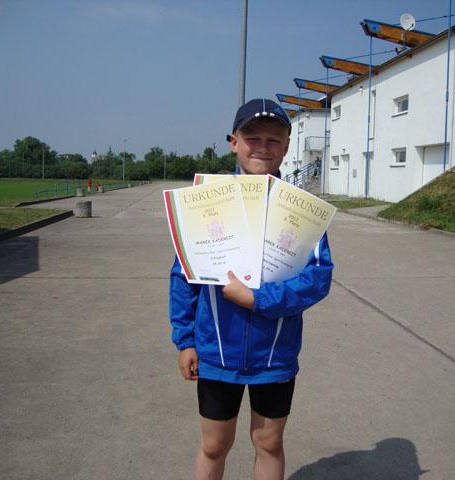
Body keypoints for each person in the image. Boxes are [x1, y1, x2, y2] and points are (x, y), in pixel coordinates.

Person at [168, 98, 334, 480]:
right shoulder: (207, 202)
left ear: (287, 146)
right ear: (233, 142)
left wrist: (258, 299)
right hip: (216, 352)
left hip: (274, 356)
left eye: (273, 139)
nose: (262, 147)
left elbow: (317, 278)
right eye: (252, 137)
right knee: (214, 444)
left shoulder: (301, 210)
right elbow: (183, 275)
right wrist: (185, 340)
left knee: (269, 443)